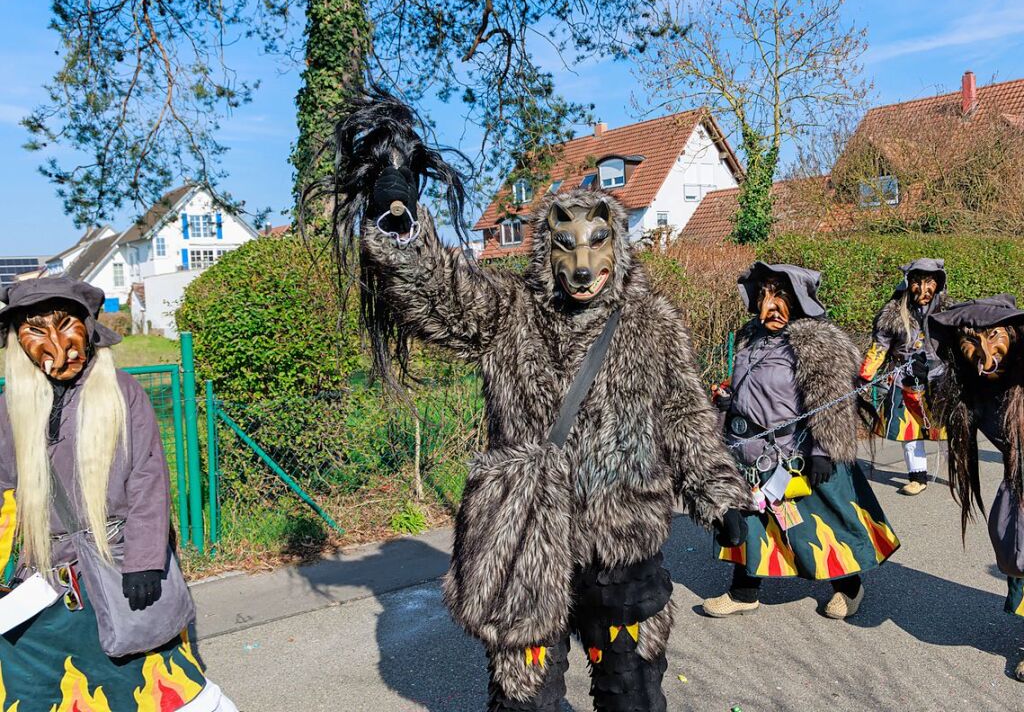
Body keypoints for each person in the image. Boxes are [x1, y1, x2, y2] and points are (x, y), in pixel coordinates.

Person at [328, 91, 753, 711]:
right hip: (526, 542)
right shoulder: (508, 314)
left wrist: (719, 495)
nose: (582, 266)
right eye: (566, 247)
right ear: (543, 253)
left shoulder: (651, 324)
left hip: (623, 543)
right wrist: (400, 219)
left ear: (619, 248)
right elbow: (440, 294)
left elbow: (686, 417)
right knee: (524, 701)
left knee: (632, 694)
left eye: (597, 245)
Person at [0, 278, 236, 711]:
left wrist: (144, 562)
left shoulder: (122, 392)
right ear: (17, 338)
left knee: (156, 683)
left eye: (65, 323)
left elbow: (148, 478)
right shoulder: (10, 407)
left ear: (88, 329)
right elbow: (2, 494)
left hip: (118, 574)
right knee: (36, 691)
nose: (55, 342)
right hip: (41, 587)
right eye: (35, 329)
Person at [705, 262, 900, 620]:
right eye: (764, 295)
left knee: (819, 525)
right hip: (750, 453)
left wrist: (824, 451)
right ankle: (744, 592)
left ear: (797, 300)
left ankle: (849, 587)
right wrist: (728, 401)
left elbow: (835, 399)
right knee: (753, 522)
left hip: (796, 454)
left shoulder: (818, 342)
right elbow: (750, 385)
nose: (769, 306)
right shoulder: (751, 335)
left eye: (779, 296)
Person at [928, 295, 1024, 680]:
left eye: (995, 336)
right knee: (1017, 556)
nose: (984, 350)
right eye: (971, 340)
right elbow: (941, 416)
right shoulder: (975, 386)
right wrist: (930, 378)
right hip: (1018, 483)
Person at [861, 259, 951, 495]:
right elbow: (879, 347)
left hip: (939, 381)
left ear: (938, 284)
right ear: (908, 283)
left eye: (930, 282)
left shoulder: (947, 312)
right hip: (904, 381)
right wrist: (864, 376)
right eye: (917, 282)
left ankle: (960, 471)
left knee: (951, 430)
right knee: (909, 432)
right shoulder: (892, 314)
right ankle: (917, 477)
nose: (923, 289)